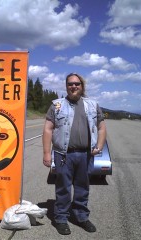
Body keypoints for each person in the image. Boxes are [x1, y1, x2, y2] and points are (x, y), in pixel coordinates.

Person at [42, 73, 107, 235]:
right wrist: (46, 153)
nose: (74, 86)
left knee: (82, 187)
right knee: (63, 187)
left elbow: (101, 127)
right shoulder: (56, 105)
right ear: (66, 86)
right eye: (70, 84)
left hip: (86, 154)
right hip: (63, 154)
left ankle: (81, 217)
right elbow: (48, 129)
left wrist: (99, 146)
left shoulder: (92, 105)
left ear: (82, 86)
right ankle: (61, 219)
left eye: (77, 84)